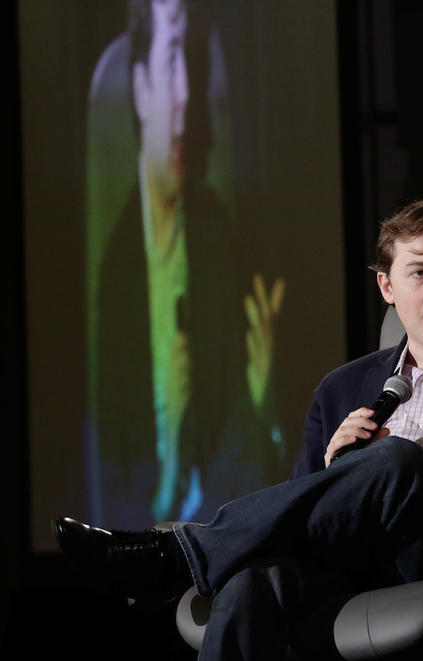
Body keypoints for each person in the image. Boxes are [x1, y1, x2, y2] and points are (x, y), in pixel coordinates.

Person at [57, 197, 423, 660]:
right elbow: (292, 512)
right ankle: (193, 559)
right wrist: (334, 468)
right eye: (420, 273)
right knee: (250, 584)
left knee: (397, 461)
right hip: (351, 564)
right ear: (388, 287)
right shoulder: (341, 389)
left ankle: (177, 557)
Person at [94, 0, 285, 527]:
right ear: (140, 89)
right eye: (173, 59)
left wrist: (261, 402)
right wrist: (171, 463)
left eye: (194, 68)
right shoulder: (112, 273)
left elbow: (245, 454)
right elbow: (108, 491)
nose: (187, 99)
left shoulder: (215, 233)